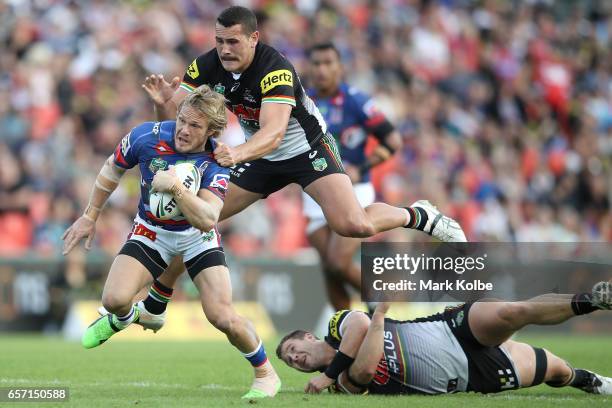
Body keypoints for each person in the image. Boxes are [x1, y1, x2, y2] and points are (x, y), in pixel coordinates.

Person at [133, 5, 466, 330]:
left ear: (254, 39)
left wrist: (236, 154)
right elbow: (180, 132)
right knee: (197, 214)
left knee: (354, 224)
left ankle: (419, 215)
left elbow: (275, 133)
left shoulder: (275, 68)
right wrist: (163, 105)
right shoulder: (205, 65)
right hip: (260, 156)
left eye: (233, 42)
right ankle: (157, 301)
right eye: (219, 41)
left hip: (304, 150)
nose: (224, 49)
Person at [61, 85, 281, 399]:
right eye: (182, 120)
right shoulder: (145, 136)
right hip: (151, 232)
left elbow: (207, 218)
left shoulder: (217, 160)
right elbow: (112, 167)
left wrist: (177, 189)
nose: (184, 130)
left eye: (195, 126)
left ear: (212, 131)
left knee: (221, 315)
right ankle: (130, 316)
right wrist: (90, 215)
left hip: (197, 239)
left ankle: (266, 375)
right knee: (113, 300)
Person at [276, 282, 612, 395]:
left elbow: (359, 325)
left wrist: (371, 323)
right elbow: (362, 372)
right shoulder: (334, 387)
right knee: (556, 370)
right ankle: (586, 379)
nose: (295, 358)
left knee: (513, 312)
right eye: (291, 362)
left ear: (307, 336)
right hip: (470, 375)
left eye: (293, 349)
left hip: (449, 328)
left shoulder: (337, 326)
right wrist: (379, 317)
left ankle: (591, 301)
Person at [302, 42, 403, 311]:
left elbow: (392, 140)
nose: (321, 69)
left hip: (353, 190)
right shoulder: (303, 102)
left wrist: (364, 166)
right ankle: (344, 332)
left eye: (328, 63)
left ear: (340, 67)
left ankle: (379, 301)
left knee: (337, 262)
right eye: (316, 63)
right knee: (329, 269)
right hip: (315, 192)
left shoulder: (357, 101)